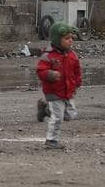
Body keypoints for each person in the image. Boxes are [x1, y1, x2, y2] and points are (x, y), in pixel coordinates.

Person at [36, 22, 82, 150]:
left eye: (71, 38)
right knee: (58, 117)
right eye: (67, 38)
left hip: (68, 91)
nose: (70, 41)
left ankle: (45, 110)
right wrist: (50, 74)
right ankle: (51, 140)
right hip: (54, 91)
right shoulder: (48, 56)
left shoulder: (72, 55)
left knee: (70, 115)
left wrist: (77, 82)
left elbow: (77, 70)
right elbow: (40, 71)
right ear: (57, 39)